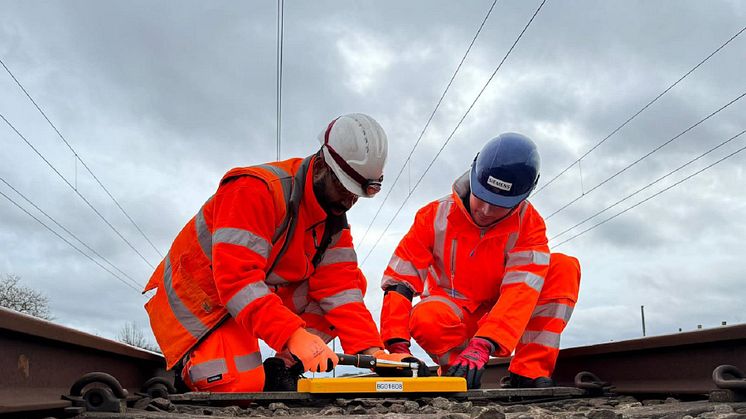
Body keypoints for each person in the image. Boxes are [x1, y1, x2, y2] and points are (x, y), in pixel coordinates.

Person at [144, 113, 425, 392]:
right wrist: (291, 334)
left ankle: (286, 366)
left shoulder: (332, 217)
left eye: (356, 194)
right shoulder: (255, 190)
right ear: (320, 167)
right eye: (343, 187)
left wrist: (374, 353)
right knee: (240, 385)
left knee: (353, 283)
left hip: (248, 298)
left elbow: (341, 291)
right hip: (204, 302)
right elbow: (237, 281)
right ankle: (190, 367)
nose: (349, 201)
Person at [379, 132, 581, 389]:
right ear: (473, 176)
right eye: (482, 198)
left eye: (498, 205)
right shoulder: (433, 216)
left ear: (522, 198)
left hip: (502, 316)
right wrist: (397, 346)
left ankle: (529, 372)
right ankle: (457, 374)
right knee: (425, 317)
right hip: (453, 317)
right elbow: (399, 282)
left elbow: (521, 290)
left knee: (563, 267)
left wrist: (485, 342)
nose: (485, 211)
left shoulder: (530, 227)